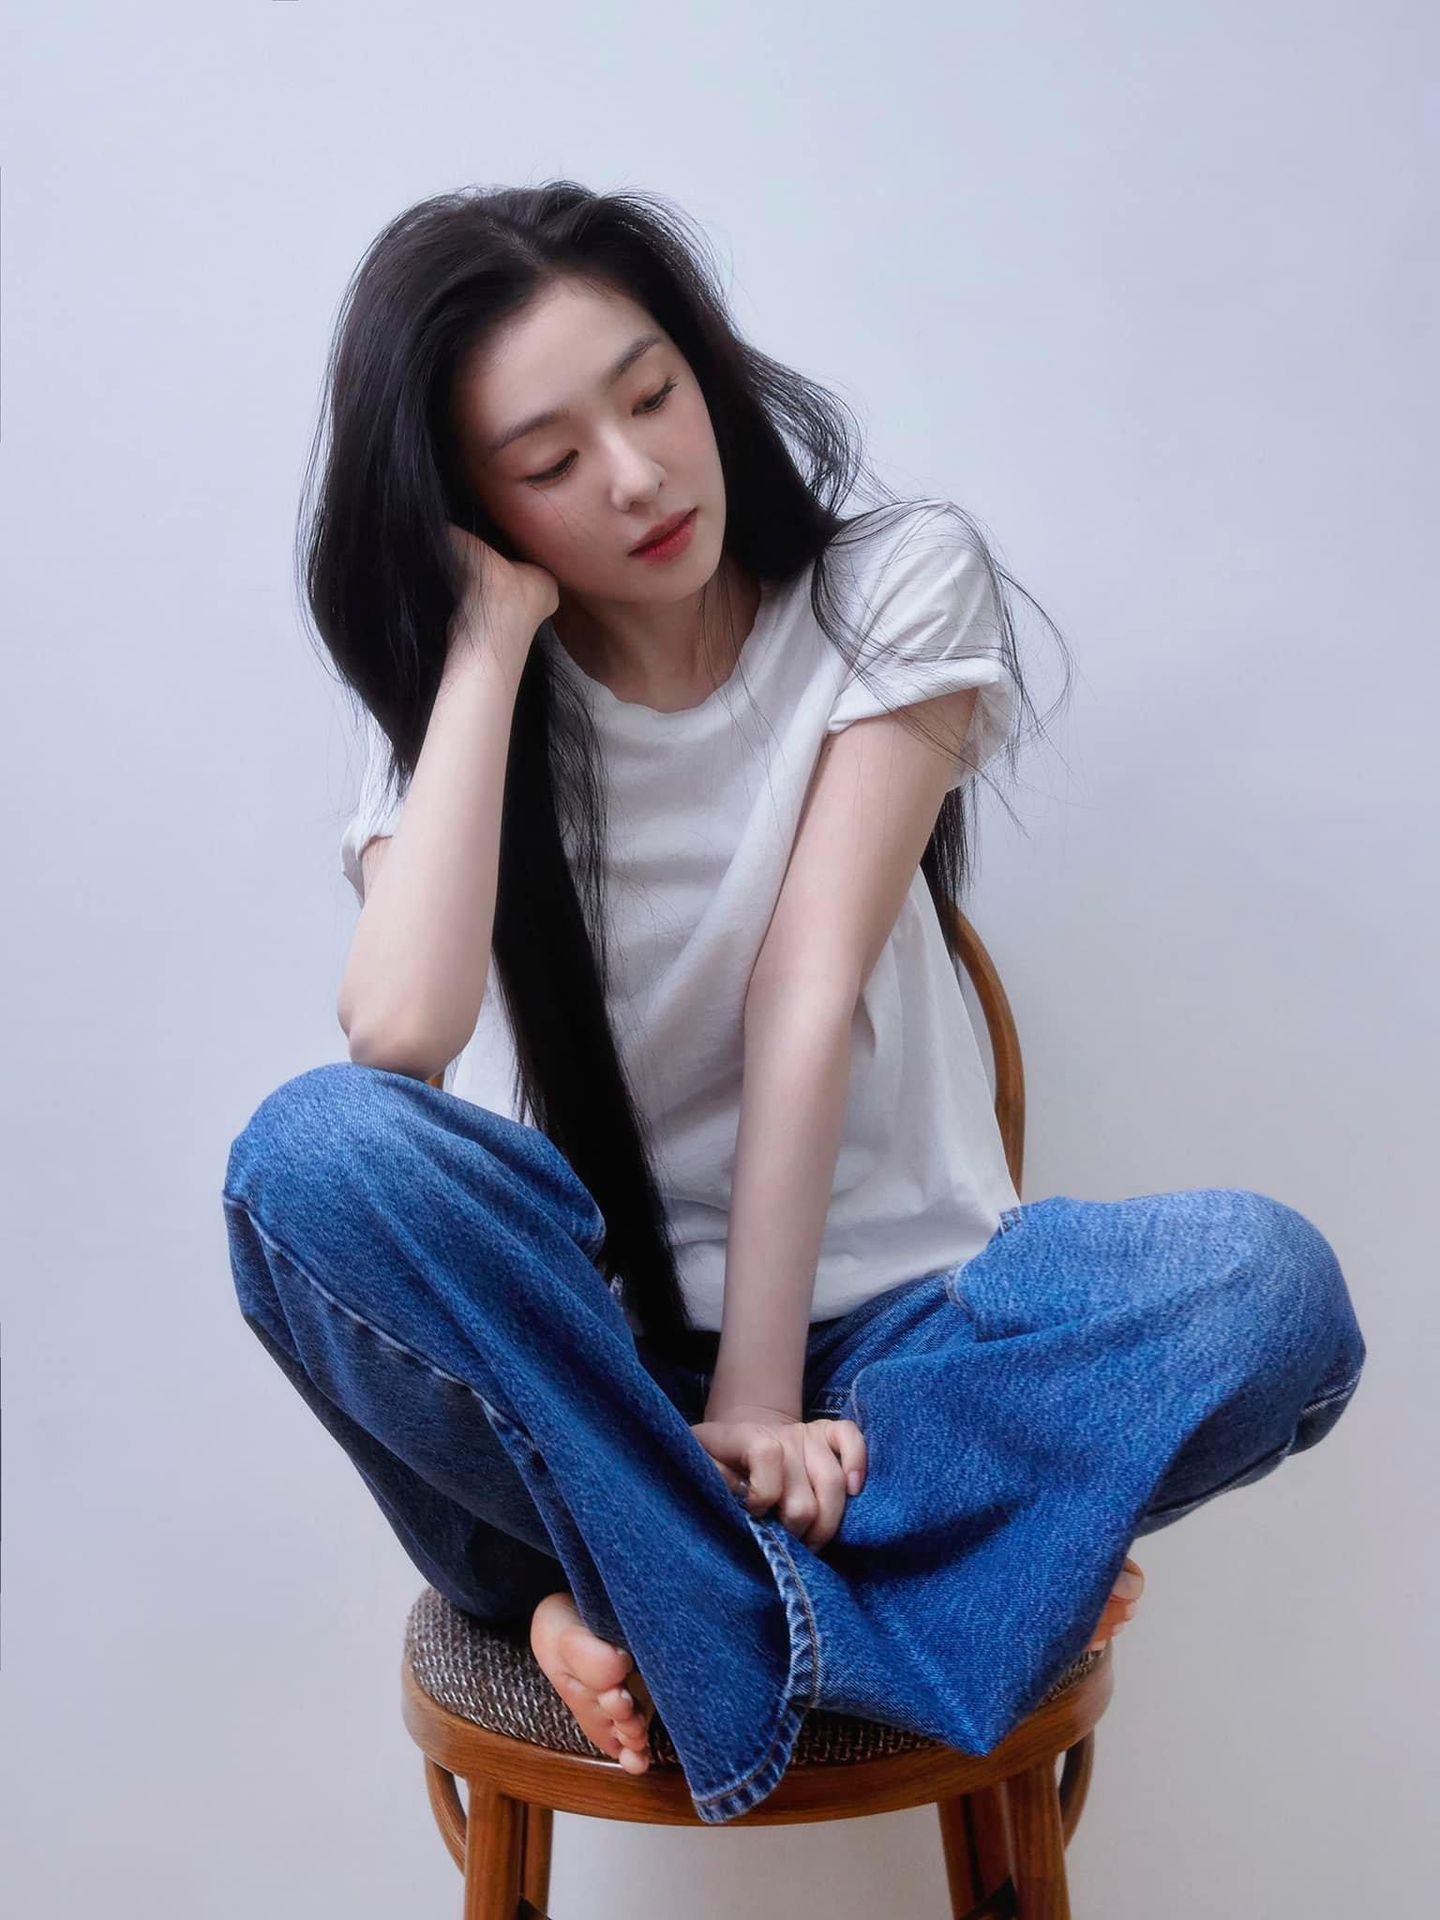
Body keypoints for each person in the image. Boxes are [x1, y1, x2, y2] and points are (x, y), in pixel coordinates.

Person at [221, 181, 1367, 1826]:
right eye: (548, 464)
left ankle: (625, 1594)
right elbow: (398, 1037)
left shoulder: (891, 585)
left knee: (1268, 1290)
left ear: (704, 366)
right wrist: (483, 648)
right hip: (599, 1371)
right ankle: (938, 1590)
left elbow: (803, 989)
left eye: (651, 394)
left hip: (907, 1352)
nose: (636, 475)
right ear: (469, 507)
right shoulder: (457, 708)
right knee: (312, 1158)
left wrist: (764, 1399)